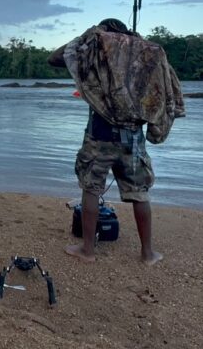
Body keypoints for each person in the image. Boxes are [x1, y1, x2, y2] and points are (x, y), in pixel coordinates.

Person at [48, 18, 184, 266]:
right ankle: (147, 253)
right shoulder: (146, 54)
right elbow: (165, 84)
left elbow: (56, 58)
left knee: (91, 189)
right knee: (140, 193)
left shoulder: (94, 53)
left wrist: (90, 35)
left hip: (100, 136)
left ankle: (88, 250)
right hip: (133, 138)